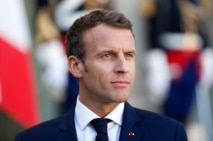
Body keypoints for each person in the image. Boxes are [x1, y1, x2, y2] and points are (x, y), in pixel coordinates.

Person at [15, 9, 188, 141]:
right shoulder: (33, 139)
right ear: (76, 66)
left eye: (129, 55)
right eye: (107, 55)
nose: (123, 67)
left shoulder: (168, 134)